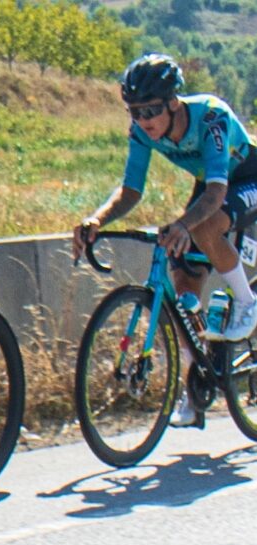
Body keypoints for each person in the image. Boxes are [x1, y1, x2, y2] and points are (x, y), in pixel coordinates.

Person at [72, 53, 257, 428]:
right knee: (183, 283)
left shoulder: (211, 117)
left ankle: (247, 302)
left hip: (244, 179)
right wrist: (96, 219)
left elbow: (216, 193)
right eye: (134, 111)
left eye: (151, 110)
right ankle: (197, 385)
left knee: (201, 229)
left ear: (173, 102)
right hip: (212, 186)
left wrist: (184, 225)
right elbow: (131, 190)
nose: (144, 120)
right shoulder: (142, 132)